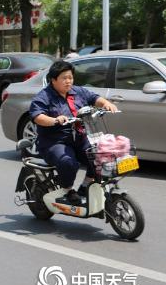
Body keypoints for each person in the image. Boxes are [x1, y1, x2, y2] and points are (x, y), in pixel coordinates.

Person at [29, 60, 117, 205]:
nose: (68, 81)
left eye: (70, 77)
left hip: (80, 138)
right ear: (53, 79)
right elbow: (38, 117)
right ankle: (68, 190)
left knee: (100, 155)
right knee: (68, 162)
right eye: (64, 78)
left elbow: (94, 98)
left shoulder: (78, 91)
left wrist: (106, 103)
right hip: (54, 142)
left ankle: (85, 186)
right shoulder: (44, 96)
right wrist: (54, 120)